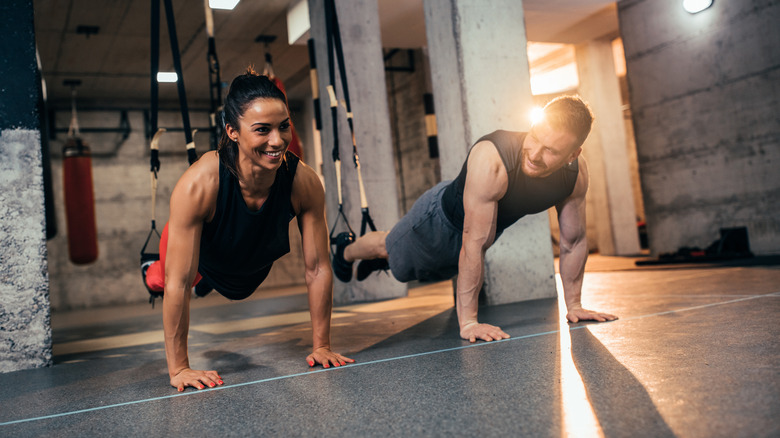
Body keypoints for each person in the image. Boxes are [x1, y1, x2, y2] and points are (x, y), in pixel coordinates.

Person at [332, 96, 617, 343]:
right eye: (535, 137)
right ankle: (346, 249)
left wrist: (575, 304)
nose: (535, 154)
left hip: (480, 229)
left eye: (551, 151)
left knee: (419, 270)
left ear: (573, 154)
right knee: (391, 250)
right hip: (438, 219)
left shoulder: (574, 174)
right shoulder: (493, 158)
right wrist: (469, 322)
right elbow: (473, 243)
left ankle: (386, 260)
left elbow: (574, 240)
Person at [144, 69, 353, 392]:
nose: (277, 140)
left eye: (284, 126)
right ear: (232, 131)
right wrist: (180, 368)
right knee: (167, 278)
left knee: (200, 281)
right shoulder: (199, 184)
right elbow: (178, 284)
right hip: (203, 256)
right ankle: (151, 269)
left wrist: (321, 345)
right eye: (262, 130)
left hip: (244, 261)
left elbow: (318, 268)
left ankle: (204, 284)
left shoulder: (303, 182)